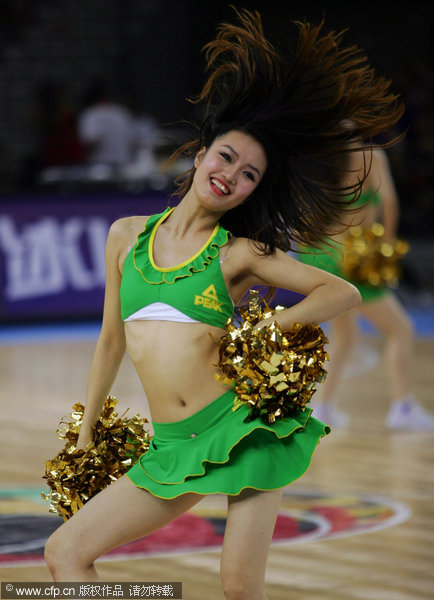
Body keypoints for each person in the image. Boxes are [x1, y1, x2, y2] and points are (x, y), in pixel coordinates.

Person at [44, 9, 403, 597]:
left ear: (250, 194)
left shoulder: (237, 254)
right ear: (204, 151)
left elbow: (343, 291)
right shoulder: (124, 237)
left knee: (239, 589)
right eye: (227, 158)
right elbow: (111, 339)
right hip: (171, 445)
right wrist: (87, 427)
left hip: (244, 430)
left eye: (250, 176)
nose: (232, 175)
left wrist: (271, 328)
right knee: (65, 554)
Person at [299, 145, 434, 431]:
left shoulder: (320, 153)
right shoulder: (371, 154)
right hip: (351, 257)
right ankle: (403, 407)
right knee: (400, 328)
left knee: (346, 334)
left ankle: (322, 406)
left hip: (319, 254)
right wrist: (386, 244)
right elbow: (390, 202)